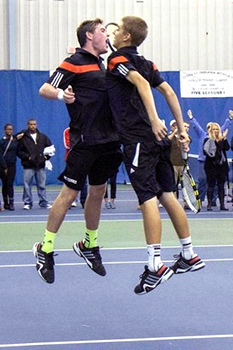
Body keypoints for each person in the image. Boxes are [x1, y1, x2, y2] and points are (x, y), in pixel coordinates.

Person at [106, 15, 205, 295]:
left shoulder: (117, 62)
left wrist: (152, 119)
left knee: (147, 198)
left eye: (118, 31)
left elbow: (139, 84)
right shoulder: (148, 63)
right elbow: (170, 92)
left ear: (126, 37)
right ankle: (189, 254)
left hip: (139, 139)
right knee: (167, 195)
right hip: (159, 140)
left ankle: (155, 266)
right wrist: (182, 129)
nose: (114, 34)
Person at [33, 18, 122, 284]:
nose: (107, 35)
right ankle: (45, 248)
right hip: (84, 140)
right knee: (69, 194)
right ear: (88, 36)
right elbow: (45, 88)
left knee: (98, 192)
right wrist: (62, 96)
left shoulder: (105, 64)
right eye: (103, 31)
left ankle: (88, 245)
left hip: (108, 141)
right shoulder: (75, 61)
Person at [187, 109, 233, 204]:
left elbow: (224, 127)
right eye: (210, 128)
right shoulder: (202, 135)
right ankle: (199, 199)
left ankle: (213, 200)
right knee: (202, 180)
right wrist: (191, 118)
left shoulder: (218, 137)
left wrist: (229, 119)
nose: (213, 130)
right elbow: (196, 126)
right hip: (203, 162)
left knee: (216, 183)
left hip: (216, 164)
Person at [18, 119, 52, 210]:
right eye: (31, 124)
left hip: (40, 165)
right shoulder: (23, 138)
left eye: (34, 124)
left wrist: (46, 158)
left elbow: (50, 148)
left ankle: (44, 202)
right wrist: (27, 157)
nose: (33, 126)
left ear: (36, 125)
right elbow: (19, 151)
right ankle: (27, 202)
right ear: (28, 125)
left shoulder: (43, 136)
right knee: (27, 185)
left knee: (42, 185)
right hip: (28, 166)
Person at [203, 123, 230, 211]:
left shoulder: (222, 139)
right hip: (211, 166)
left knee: (221, 185)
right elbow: (209, 152)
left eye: (217, 129)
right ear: (210, 130)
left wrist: (224, 138)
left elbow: (226, 148)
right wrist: (218, 140)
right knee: (211, 185)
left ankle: (222, 204)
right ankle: (209, 204)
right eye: (214, 129)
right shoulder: (208, 140)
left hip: (222, 167)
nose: (216, 131)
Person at [168, 119, 191, 208]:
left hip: (183, 164)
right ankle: (174, 203)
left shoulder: (185, 137)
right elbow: (168, 141)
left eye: (187, 127)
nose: (186, 128)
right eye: (184, 126)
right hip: (173, 164)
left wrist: (182, 133)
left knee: (185, 184)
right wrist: (175, 133)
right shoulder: (170, 137)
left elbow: (188, 140)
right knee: (173, 185)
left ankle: (186, 202)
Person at [0, 124, 23, 211]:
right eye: (8, 129)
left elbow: (24, 131)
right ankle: (5, 203)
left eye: (11, 129)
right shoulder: (2, 141)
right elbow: (0, 155)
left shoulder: (14, 140)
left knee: (10, 184)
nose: (10, 131)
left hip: (12, 165)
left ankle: (11, 203)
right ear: (5, 130)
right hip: (2, 165)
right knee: (4, 184)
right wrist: (4, 166)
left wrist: (17, 136)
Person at [63, 127, 88, 208]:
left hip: (83, 159)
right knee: (69, 181)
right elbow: (67, 145)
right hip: (71, 159)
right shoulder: (67, 131)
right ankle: (69, 201)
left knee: (84, 182)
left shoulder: (85, 130)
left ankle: (84, 201)